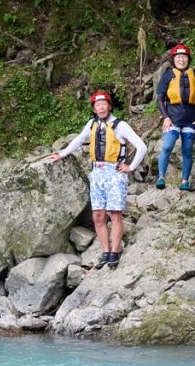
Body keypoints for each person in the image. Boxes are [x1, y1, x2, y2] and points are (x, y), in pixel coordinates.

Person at [48, 91, 147, 270]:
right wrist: (61, 154)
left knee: (114, 214)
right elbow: (79, 140)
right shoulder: (92, 124)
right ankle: (105, 251)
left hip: (115, 173)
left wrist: (130, 167)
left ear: (109, 106)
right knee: (98, 215)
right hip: (97, 173)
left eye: (104, 104)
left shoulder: (120, 125)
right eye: (97, 105)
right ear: (94, 109)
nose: (101, 107)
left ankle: (114, 252)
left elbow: (142, 146)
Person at [155, 43, 195, 191]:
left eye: (184, 57)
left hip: (190, 120)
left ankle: (185, 181)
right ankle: (161, 177)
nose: (181, 60)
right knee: (167, 146)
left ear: (188, 59)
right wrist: (165, 117)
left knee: (187, 151)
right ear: (173, 59)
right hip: (172, 118)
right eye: (178, 57)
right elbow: (160, 98)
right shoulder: (168, 75)